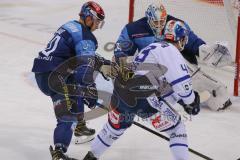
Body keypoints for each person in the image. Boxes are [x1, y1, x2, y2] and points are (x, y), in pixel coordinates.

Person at [83, 20, 200, 160]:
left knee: (113, 129)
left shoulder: (152, 47)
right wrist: (191, 101)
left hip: (120, 91)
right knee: (176, 128)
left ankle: (90, 157)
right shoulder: (171, 51)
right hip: (143, 96)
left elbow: (162, 83)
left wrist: (181, 99)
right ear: (181, 39)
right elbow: (182, 86)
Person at [113, 2, 232, 111]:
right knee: (127, 68)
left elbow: (191, 41)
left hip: (179, 63)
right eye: (156, 22)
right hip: (153, 67)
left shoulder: (176, 24)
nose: (159, 25)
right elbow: (121, 50)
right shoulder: (133, 29)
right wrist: (123, 69)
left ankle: (209, 91)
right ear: (148, 19)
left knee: (211, 90)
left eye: (162, 21)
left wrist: (203, 49)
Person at [31, 1, 109, 159]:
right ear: (88, 18)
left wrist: (101, 62)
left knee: (74, 87)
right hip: (55, 76)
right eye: (97, 21)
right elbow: (84, 73)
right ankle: (59, 153)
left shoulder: (70, 25)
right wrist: (92, 95)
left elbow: (80, 56)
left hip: (44, 71)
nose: (97, 25)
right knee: (68, 112)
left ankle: (79, 126)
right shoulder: (86, 37)